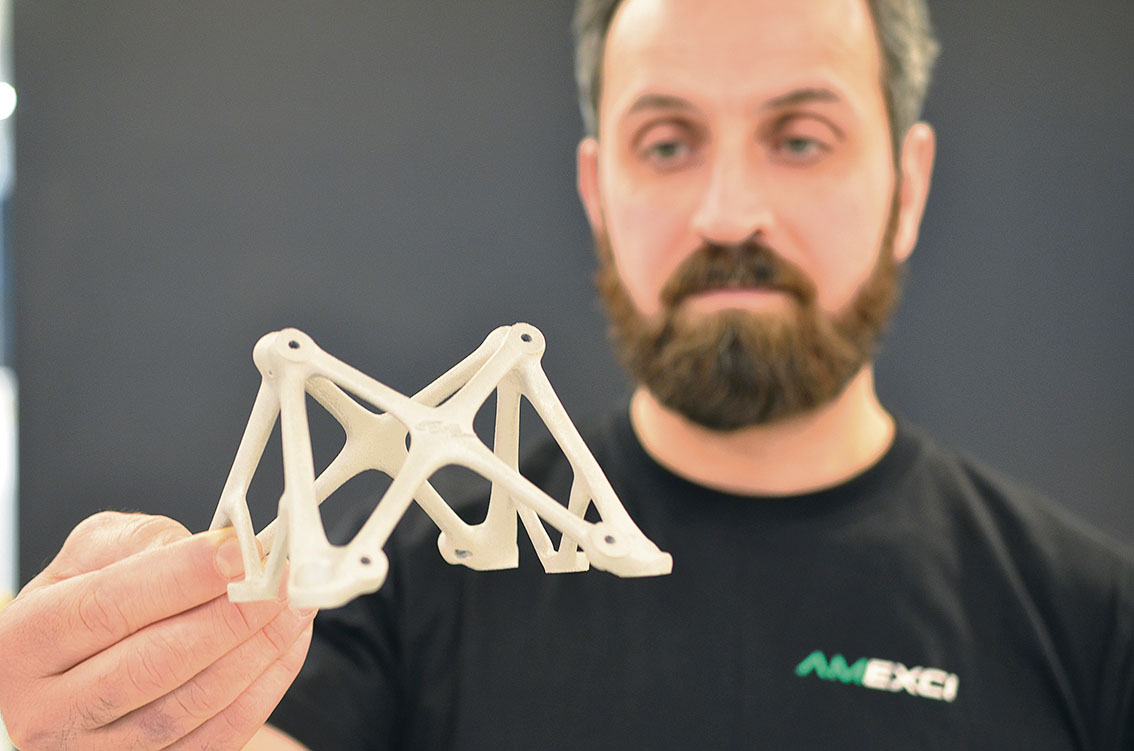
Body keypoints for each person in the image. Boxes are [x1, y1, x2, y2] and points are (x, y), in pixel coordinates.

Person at [0, 0, 1130, 748]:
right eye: (667, 142)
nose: (729, 210)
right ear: (597, 193)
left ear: (910, 187)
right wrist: (111, 713)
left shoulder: (1096, 625)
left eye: (800, 138)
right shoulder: (409, 600)